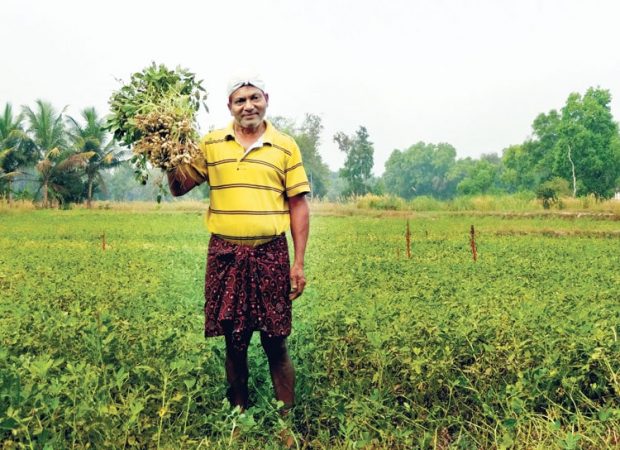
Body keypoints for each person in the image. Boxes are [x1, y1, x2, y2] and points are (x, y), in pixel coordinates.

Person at [167, 76, 310, 412]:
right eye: (240, 100)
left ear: (266, 99)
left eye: (254, 98)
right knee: (234, 341)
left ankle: (285, 421)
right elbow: (178, 187)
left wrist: (298, 263)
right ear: (229, 106)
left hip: (270, 253)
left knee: (276, 341)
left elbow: (299, 205)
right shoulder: (211, 144)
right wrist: (168, 155)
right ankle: (238, 416)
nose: (248, 106)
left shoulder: (285, 146)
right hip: (225, 254)